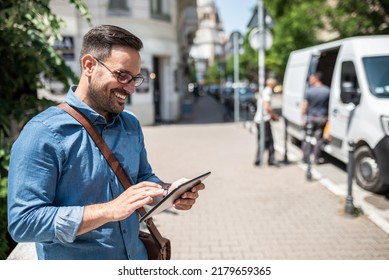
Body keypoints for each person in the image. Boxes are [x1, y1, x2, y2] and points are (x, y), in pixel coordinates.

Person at [7, 25, 205, 260]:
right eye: (122, 76)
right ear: (89, 65)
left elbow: (142, 179)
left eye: (134, 78)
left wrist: (169, 192)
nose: (130, 88)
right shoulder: (43, 132)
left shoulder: (130, 123)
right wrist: (109, 210)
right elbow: (23, 223)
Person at [301, 72, 330, 164]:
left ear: (316, 79)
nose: (309, 80)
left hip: (310, 118)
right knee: (319, 139)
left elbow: (304, 106)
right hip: (321, 118)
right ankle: (316, 158)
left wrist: (303, 118)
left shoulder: (309, 91)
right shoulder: (327, 90)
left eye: (311, 78)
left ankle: (305, 158)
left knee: (307, 138)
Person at [253, 78, 280, 166]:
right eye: (275, 84)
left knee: (263, 141)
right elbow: (267, 107)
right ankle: (269, 160)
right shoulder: (268, 92)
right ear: (272, 85)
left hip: (260, 120)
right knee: (268, 141)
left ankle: (259, 159)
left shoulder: (265, 91)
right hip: (263, 121)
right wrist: (274, 116)